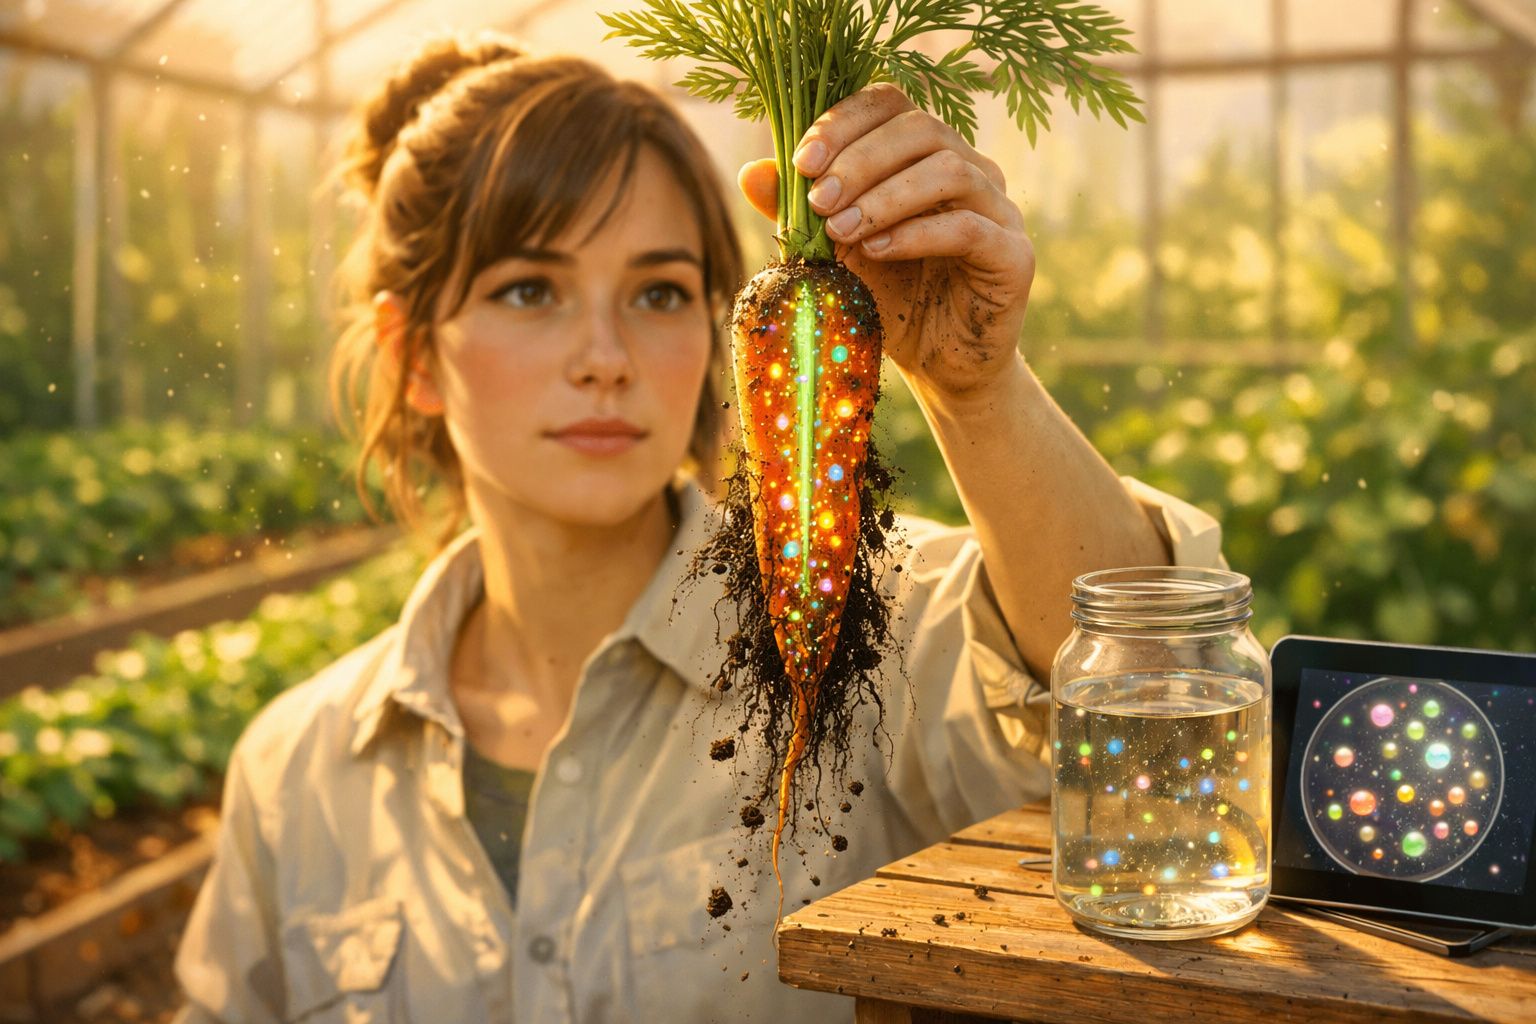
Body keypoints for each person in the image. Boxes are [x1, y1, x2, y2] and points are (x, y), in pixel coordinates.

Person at [172, 32, 1225, 1024]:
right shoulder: (297, 770)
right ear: (414, 358)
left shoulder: (870, 633)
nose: (605, 355)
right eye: (531, 288)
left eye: (660, 292)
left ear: (718, 333)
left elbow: (1164, 718)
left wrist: (977, 391)